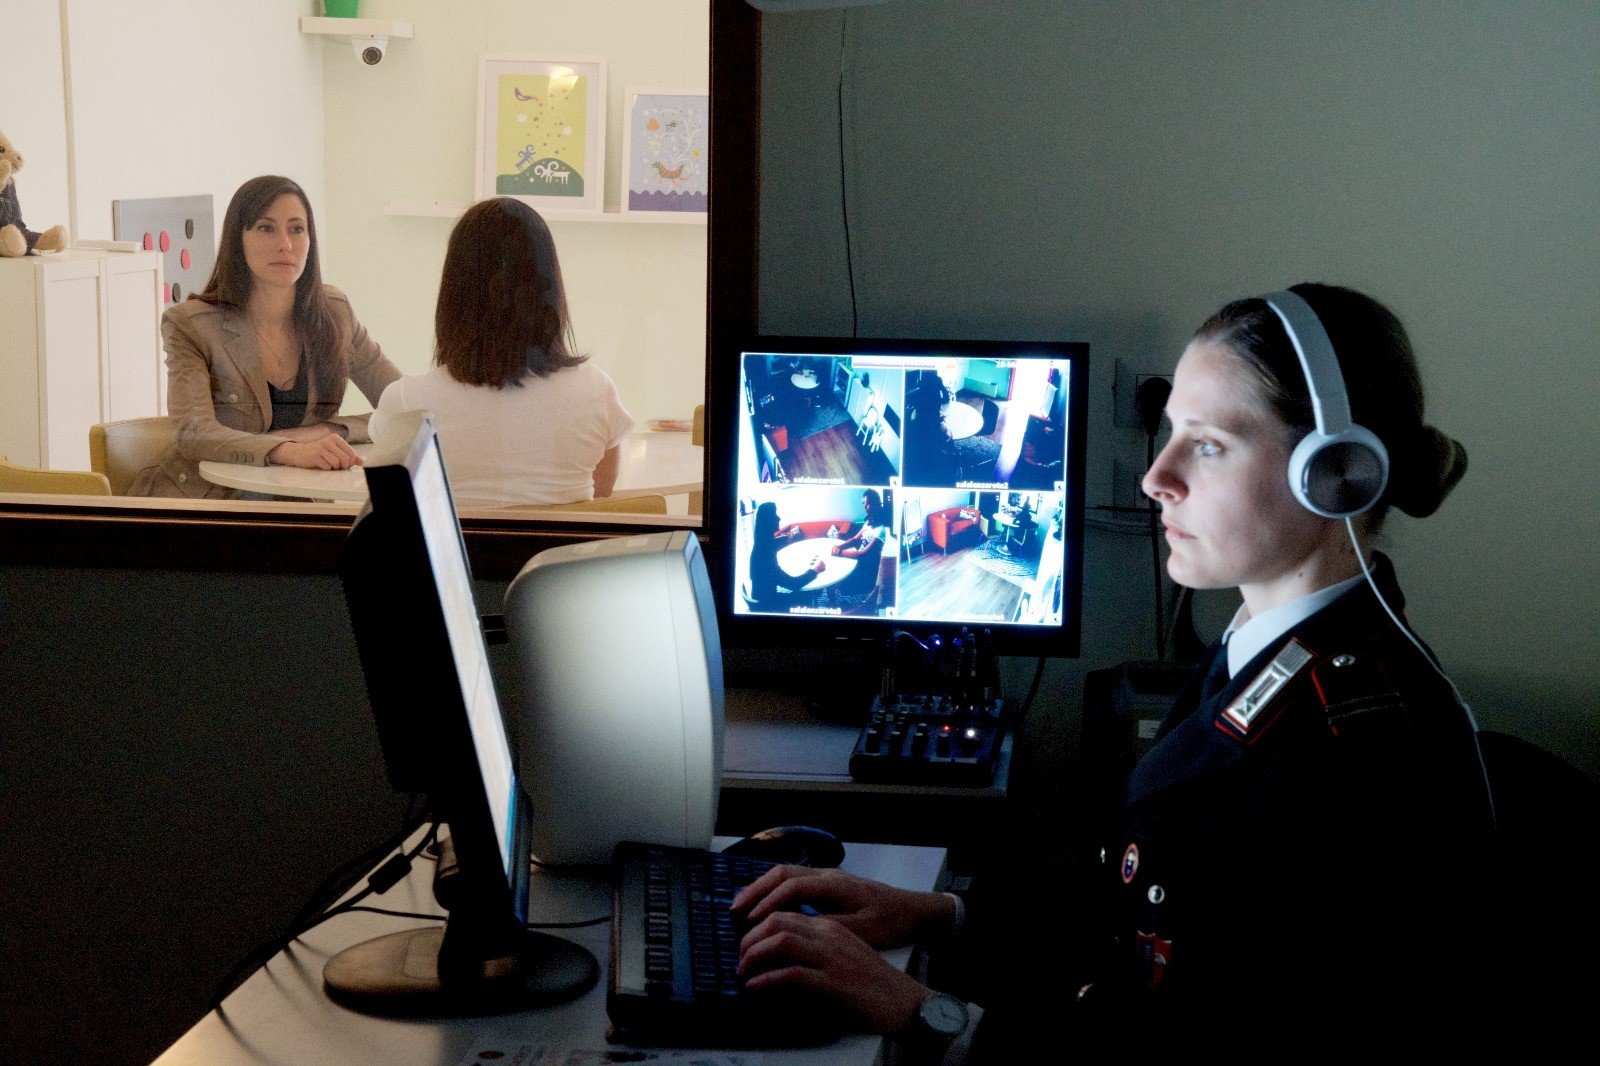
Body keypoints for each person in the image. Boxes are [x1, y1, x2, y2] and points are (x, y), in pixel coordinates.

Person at [731, 283, 1505, 1055]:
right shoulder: (1264, 651)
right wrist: (937, 914)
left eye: (1208, 444)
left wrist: (927, 1014)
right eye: (1170, 434)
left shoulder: (1355, 751)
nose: (1154, 476)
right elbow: (1142, 914)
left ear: (1334, 473)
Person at [132, 175, 399, 497]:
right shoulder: (190, 324)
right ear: (237, 240)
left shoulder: (335, 312)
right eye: (266, 228)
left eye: (296, 229)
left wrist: (328, 429)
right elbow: (194, 432)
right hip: (204, 504)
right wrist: (285, 449)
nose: (285, 244)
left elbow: (406, 407)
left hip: (298, 502)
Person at [369, 197, 632, 508]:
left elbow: (394, 505)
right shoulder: (596, 392)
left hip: (459, 543)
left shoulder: (406, 405)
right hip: (559, 543)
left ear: (454, 293)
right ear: (549, 288)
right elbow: (602, 494)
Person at [746, 501, 826, 608]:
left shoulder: (761, 544)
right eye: (774, 515)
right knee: (810, 593)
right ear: (768, 522)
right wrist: (816, 570)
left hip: (762, 596)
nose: (778, 518)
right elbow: (793, 584)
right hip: (767, 605)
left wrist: (787, 538)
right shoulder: (765, 557)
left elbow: (775, 542)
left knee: (809, 591)